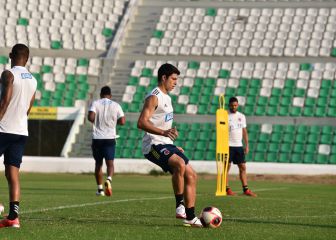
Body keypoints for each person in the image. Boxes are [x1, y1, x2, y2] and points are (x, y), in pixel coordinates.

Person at [137, 63, 202, 227]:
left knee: (192, 175)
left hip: (165, 143)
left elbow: (163, 126)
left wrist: (171, 141)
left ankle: (190, 217)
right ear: (164, 77)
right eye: (173, 79)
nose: (175, 82)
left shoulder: (168, 98)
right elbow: (141, 122)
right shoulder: (154, 96)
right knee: (179, 164)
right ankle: (179, 205)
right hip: (153, 145)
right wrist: (163, 133)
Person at [0, 44, 37, 228]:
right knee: (12, 172)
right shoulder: (33, 80)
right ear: (27, 58)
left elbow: (5, 101)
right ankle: (13, 217)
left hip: (3, 128)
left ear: (10, 55)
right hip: (21, 131)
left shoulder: (8, 74)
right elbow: (28, 108)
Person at [88, 86, 125, 197]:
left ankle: (100, 190)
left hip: (97, 138)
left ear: (101, 94)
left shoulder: (96, 103)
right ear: (110, 95)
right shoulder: (116, 105)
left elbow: (91, 117)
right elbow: (122, 121)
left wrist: (97, 120)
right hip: (109, 138)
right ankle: (109, 179)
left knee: (98, 164)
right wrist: (113, 122)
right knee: (110, 164)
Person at [226, 97, 257, 197]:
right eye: (232, 105)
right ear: (229, 105)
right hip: (228, 145)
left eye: (235, 105)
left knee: (242, 167)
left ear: (237, 105)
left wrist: (247, 145)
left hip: (238, 145)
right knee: (227, 167)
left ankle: (246, 189)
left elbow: (244, 131)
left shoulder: (242, 116)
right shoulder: (225, 116)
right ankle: (226, 188)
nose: (234, 107)